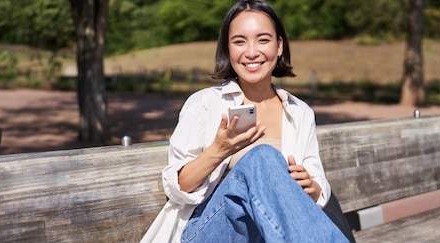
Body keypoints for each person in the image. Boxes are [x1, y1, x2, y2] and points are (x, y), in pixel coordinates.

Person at [141, 0, 350, 242]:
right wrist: (219, 150)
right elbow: (179, 187)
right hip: (207, 231)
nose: (251, 52)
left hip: (271, 232)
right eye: (239, 41)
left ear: (279, 45)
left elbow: (318, 186)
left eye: (263, 40)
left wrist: (312, 188)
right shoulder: (205, 103)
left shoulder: (300, 112)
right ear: (228, 49)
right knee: (262, 157)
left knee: (266, 161)